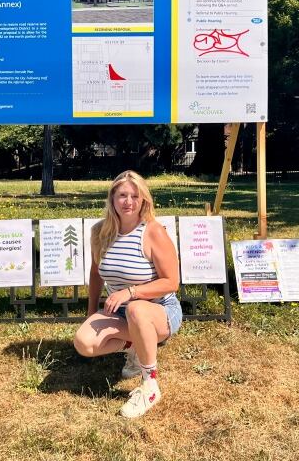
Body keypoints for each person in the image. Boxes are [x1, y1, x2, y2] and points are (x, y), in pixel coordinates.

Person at [73, 170, 182, 418]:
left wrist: (131, 292)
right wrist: (91, 311)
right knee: (84, 343)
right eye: (122, 195)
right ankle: (137, 345)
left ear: (144, 199)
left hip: (160, 311)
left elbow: (172, 282)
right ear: (112, 198)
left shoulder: (153, 231)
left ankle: (150, 385)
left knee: (136, 308)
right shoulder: (100, 232)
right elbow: (96, 273)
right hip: (120, 313)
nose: (128, 201)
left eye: (135, 195)